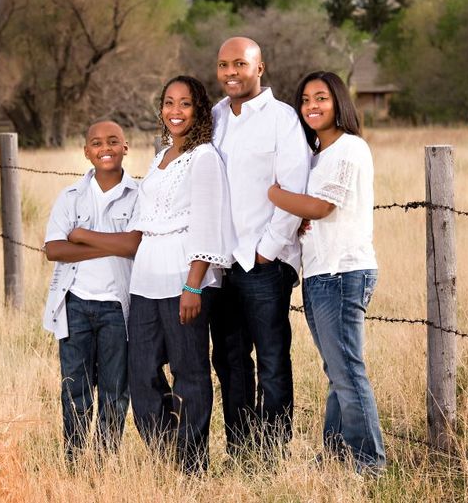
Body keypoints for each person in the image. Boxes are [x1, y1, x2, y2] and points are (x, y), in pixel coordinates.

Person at [266, 71, 386, 474]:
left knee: (348, 369)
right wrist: (302, 213)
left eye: (321, 98)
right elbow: (313, 210)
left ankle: (369, 463)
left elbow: (321, 208)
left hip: (343, 271)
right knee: (335, 370)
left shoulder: (350, 148)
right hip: (320, 274)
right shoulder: (318, 155)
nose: (312, 106)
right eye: (305, 100)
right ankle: (336, 455)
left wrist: (276, 194)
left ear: (338, 102)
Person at [209, 37, 311, 458]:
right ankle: (242, 449)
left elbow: (294, 187)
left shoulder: (281, 118)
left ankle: (273, 451)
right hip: (221, 261)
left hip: (264, 261)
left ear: (260, 68)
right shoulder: (214, 116)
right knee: (230, 360)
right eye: (222, 65)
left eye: (240, 64)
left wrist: (267, 250)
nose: (231, 72)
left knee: (271, 358)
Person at [127, 75, 234, 474]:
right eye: (169, 103)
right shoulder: (160, 156)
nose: (175, 111)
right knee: (141, 370)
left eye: (185, 104)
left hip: (182, 276)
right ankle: (164, 449)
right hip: (146, 276)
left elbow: (208, 222)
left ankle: (191, 466)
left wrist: (194, 283)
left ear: (199, 110)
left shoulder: (204, 157)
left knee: (189, 372)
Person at [42, 120, 141, 465]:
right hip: (76, 305)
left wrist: (82, 235)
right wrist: (110, 246)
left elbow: (134, 243)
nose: (106, 148)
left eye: (114, 141)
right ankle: (74, 459)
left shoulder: (138, 195)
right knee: (74, 388)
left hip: (118, 308)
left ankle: (103, 461)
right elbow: (54, 249)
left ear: (125, 147)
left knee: (115, 391)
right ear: (86, 152)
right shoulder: (70, 197)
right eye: (97, 143)